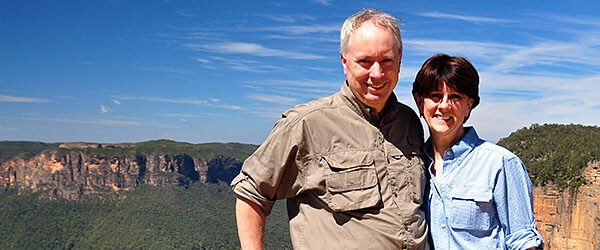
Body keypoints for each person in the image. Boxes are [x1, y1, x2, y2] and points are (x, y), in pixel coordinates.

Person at [231, 8, 429, 249]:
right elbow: (252, 195)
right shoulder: (305, 123)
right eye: (364, 61)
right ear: (344, 62)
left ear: (400, 61)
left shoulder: (410, 122)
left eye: (386, 61)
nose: (376, 74)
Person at [411, 53, 544, 249]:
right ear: (420, 101)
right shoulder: (414, 163)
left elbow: (523, 240)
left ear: (468, 106)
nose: (444, 106)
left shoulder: (500, 163)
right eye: (435, 96)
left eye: (455, 97)